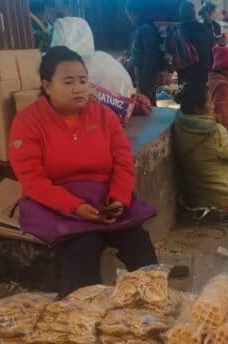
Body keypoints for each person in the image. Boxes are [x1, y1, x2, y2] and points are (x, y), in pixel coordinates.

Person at [8, 46, 158, 298]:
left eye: (83, 80)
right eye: (68, 82)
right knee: (82, 246)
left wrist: (119, 198)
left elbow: (123, 163)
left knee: (137, 242)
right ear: (47, 85)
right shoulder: (28, 122)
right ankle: (82, 315)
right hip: (56, 205)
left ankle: (155, 302)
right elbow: (32, 180)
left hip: (104, 200)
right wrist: (74, 206)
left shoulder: (104, 116)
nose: (78, 88)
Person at [172, 83, 228, 211]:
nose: (214, 105)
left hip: (194, 195)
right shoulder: (214, 132)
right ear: (197, 109)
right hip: (220, 197)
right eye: (210, 102)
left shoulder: (180, 122)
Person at [127, 0, 163, 106]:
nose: (129, 18)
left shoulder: (145, 29)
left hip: (146, 74)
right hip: (145, 73)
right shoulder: (142, 27)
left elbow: (150, 55)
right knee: (148, 101)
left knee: (146, 102)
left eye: (129, 15)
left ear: (133, 13)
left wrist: (145, 79)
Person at [173, 1, 215, 86]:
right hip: (204, 69)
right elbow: (212, 46)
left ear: (181, 13)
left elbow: (171, 48)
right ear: (194, 13)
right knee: (202, 92)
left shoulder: (177, 30)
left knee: (187, 92)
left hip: (186, 70)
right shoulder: (204, 28)